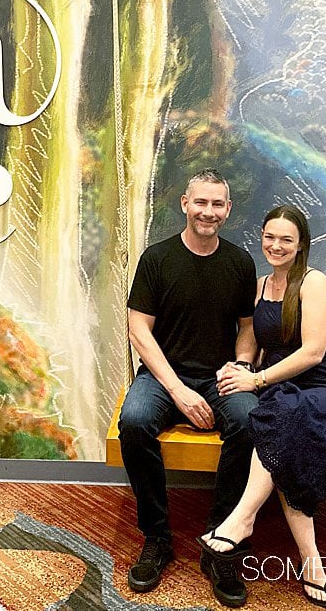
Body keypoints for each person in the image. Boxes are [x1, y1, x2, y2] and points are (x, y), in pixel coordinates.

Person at [200, 204, 326, 608]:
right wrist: (240, 366)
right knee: (280, 425)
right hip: (285, 390)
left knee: (282, 417)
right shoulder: (259, 287)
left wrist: (255, 380)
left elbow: (312, 353)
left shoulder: (314, 283)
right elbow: (256, 345)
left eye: (286, 239)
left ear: (301, 245)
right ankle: (313, 566)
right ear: (262, 237)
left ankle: (241, 519)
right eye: (270, 237)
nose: (276, 245)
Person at [120, 168, 260, 607]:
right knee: (135, 421)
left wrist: (238, 367)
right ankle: (157, 538)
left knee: (250, 421)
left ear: (228, 210)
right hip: (165, 377)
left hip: (219, 377)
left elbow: (248, 327)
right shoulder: (157, 259)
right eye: (201, 202)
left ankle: (221, 541)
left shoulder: (239, 263)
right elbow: (138, 330)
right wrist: (179, 390)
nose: (208, 211)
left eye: (217, 204)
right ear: (185, 204)